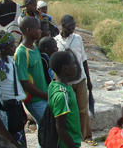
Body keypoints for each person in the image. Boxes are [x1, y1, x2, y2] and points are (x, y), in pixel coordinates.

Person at [55, 14, 96, 146]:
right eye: (70, 25)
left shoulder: (77, 38)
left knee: (83, 109)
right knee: (69, 112)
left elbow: (83, 59)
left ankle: (87, 135)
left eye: (74, 24)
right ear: (63, 25)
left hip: (80, 80)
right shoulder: (56, 41)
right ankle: (71, 135)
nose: (73, 27)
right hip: (66, 83)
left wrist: (88, 80)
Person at [0, 30, 27, 147]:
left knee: (20, 137)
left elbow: (16, 87)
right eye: (12, 46)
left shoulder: (11, 63)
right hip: (6, 109)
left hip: (15, 106)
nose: (14, 48)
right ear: (2, 48)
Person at [14, 16, 48, 130]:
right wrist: (44, 95)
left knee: (43, 129)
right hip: (35, 100)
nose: (40, 31)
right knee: (47, 128)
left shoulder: (34, 48)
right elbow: (24, 82)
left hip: (43, 97)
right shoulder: (22, 53)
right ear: (28, 30)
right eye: (38, 28)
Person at [49, 51, 82, 148]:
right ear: (65, 68)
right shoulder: (62, 95)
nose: (76, 66)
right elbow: (60, 129)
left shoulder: (53, 84)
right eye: (74, 63)